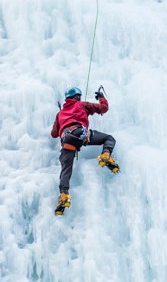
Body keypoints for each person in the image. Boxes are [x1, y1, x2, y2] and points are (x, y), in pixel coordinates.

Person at [50, 86, 120, 215]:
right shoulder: (81, 104)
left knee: (66, 170)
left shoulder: (60, 113)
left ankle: (64, 195)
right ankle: (105, 155)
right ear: (77, 97)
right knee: (109, 139)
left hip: (66, 141)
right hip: (80, 133)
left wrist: (62, 118)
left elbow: (54, 134)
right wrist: (101, 98)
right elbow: (103, 108)